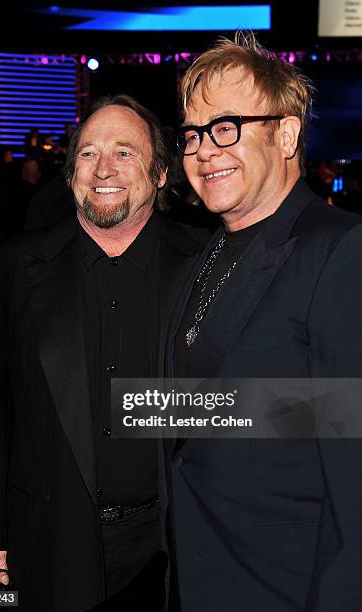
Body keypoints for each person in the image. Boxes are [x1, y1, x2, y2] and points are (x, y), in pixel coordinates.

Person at [0, 94, 207, 611]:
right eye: (88, 153)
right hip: (48, 537)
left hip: (170, 544)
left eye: (125, 152)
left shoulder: (205, 264)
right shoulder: (11, 265)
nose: (103, 169)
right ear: (70, 170)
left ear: (161, 174)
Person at [166, 32, 362, 611]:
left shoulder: (341, 250)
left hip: (287, 588)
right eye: (194, 134)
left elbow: (352, 446)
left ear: (286, 135)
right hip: (199, 580)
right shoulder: (201, 257)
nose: (204, 149)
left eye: (227, 127)